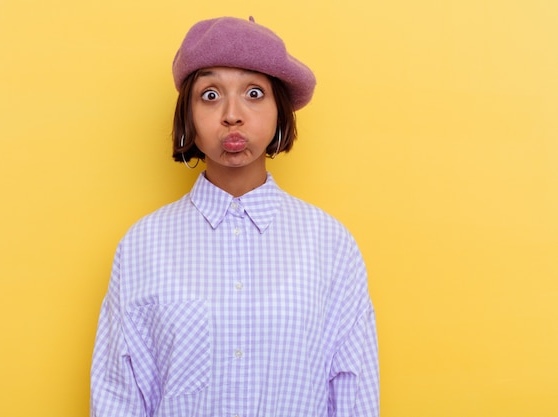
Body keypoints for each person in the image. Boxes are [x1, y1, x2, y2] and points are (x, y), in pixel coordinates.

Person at [91, 16, 379, 417]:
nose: (232, 114)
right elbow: (117, 393)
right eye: (210, 95)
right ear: (187, 117)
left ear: (280, 109)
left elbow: (354, 390)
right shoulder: (144, 244)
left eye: (254, 93)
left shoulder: (329, 244)